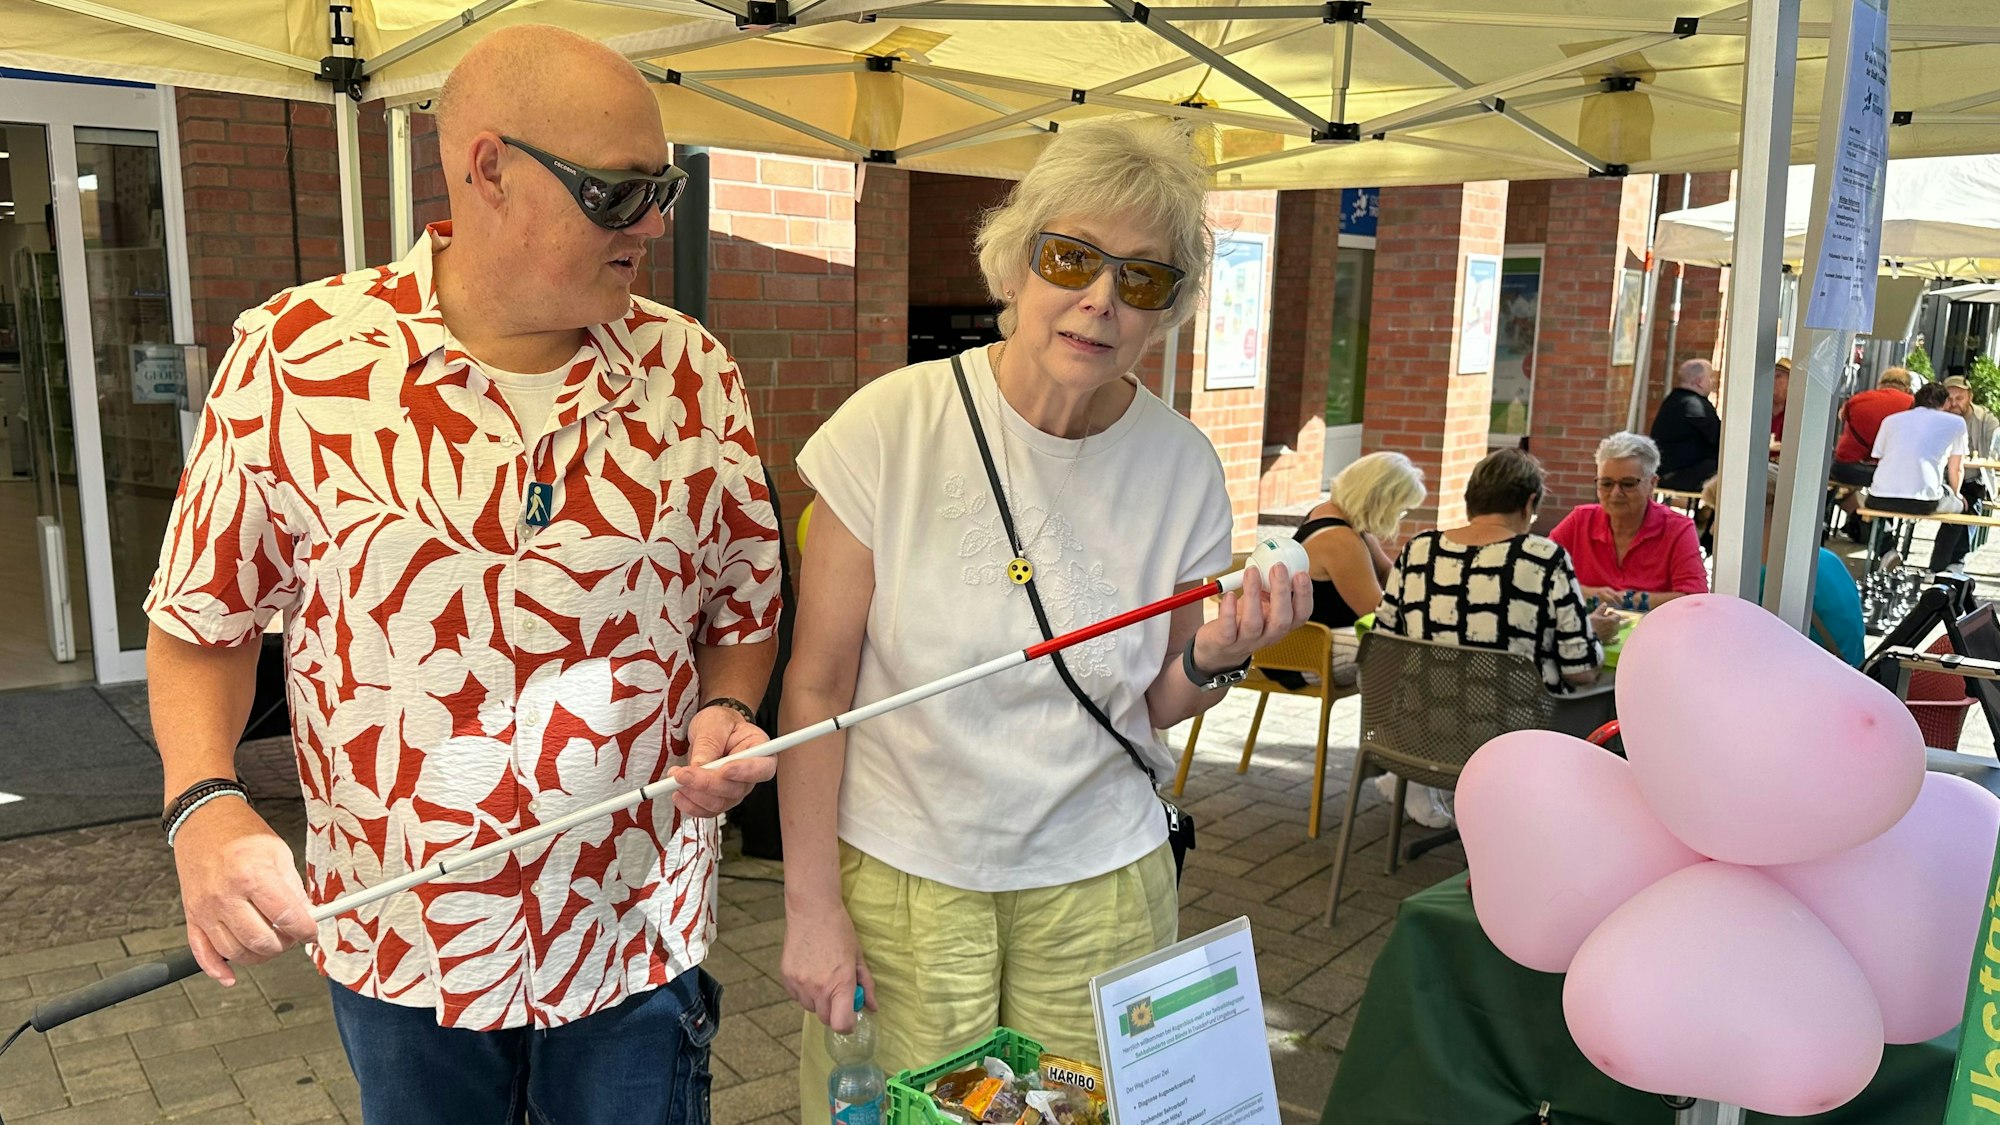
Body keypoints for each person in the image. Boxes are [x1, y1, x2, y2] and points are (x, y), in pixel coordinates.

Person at [143, 26, 781, 1124]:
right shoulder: (297, 359)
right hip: (404, 947)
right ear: (487, 169)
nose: (657, 224)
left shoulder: (693, 372)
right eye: (617, 194)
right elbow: (204, 616)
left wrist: (728, 705)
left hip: (633, 932)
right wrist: (201, 804)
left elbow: (743, 600)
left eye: (661, 189)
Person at [776, 120, 1312, 1124]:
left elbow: (1152, 701)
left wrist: (1218, 655)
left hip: (1100, 882)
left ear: (1168, 309)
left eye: (1142, 278)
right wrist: (810, 910)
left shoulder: (1184, 469)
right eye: (1070, 258)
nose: (1100, 299)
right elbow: (814, 689)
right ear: (1015, 265)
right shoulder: (887, 428)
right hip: (905, 879)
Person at [1375, 449, 1623, 827]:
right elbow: (1582, 671)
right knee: (1610, 693)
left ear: (1470, 500)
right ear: (1528, 504)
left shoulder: (1418, 550)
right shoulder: (1543, 557)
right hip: (1516, 740)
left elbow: (1385, 645)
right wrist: (1592, 633)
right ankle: (1577, 828)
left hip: (1417, 734)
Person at [1265, 451, 1426, 692]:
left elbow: (1387, 575)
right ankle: (1394, 728)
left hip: (1302, 640)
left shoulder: (1332, 513)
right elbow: (1379, 614)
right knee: (1413, 658)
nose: (1399, 517)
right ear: (1382, 502)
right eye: (1401, 509)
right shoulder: (1339, 540)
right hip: (1301, 652)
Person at [1701, 468, 1865, 666]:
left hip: (1809, 686)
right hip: (1842, 678)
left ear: (1750, 512)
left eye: (1722, 513)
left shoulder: (1762, 578)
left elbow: (1728, 650)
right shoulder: (1826, 558)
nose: (1712, 529)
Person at [1548, 432, 1710, 610]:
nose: (1616, 493)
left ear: (1652, 484)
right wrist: (1585, 593)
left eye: (1628, 484)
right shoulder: (1580, 521)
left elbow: (1695, 599)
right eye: (1606, 483)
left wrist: (1631, 600)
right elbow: (1537, 573)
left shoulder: (1677, 529)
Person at [1869, 380, 1972, 572]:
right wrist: (1957, 495)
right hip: (1923, 500)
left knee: (1858, 501)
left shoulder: (1891, 420)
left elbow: (1879, 455)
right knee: (1961, 507)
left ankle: (1886, 550)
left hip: (1879, 497)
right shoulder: (1956, 422)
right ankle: (1940, 567)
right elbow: (1956, 468)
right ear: (1945, 403)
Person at [1831, 367, 1915, 537]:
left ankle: (1855, 518)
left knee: (1834, 486)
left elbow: (1842, 416)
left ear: (1880, 384)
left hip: (1846, 469)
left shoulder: (1858, 399)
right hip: (1887, 474)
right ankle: (1883, 532)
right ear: (1907, 387)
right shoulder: (1912, 404)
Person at [1650, 358, 1722, 491]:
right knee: (1732, 468)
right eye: (1711, 377)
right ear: (1699, 381)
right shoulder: (1695, 405)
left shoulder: (1673, 400)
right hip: (1681, 476)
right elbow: (1719, 440)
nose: (1713, 382)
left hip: (1664, 473)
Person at [1944, 373, 1998, 517]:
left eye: (1959, 398)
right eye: (1949, 399)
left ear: (1970, 397)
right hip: (1941, 482)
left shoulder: (1985, 420)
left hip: (1971, 481)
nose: (1954, 403)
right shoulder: (1938, 417)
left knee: (1969, 509)